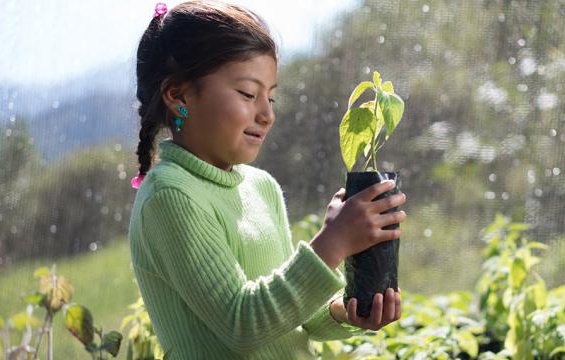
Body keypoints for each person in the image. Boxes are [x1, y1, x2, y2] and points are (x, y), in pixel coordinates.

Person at [127, 1, 408, 358]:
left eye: (271, 97)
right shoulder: (170, 197)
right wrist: (333, 241)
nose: (267, 114)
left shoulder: (261, 187)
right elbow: (244, 325)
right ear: (179, 95)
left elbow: (292, 319)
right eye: (248, 94)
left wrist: (346, 310)